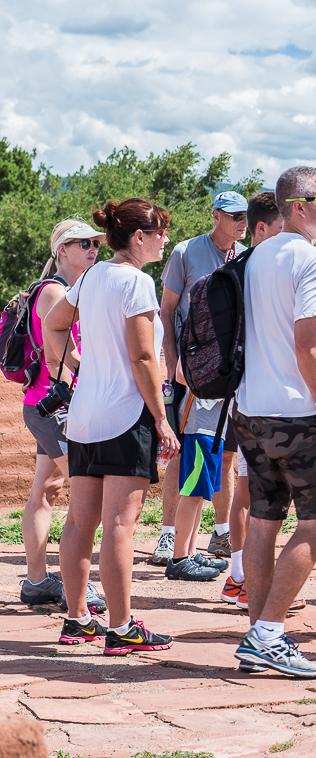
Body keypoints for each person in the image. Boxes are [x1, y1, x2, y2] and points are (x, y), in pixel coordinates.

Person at [44, 198, 181, 654]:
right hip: (126, 416)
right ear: (139, 237)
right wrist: (162, 418)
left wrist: (75, 371)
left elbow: (53, 325)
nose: (165, 239)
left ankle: (78, 619)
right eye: (160, 231)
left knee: (81, 521)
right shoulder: (137, 282)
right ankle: (122, 628)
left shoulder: (91, 278)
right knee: (121, 524)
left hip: (84, 416)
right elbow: (144, 357)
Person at [231, 167, 316, 679]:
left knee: (263, 518)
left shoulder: (255, 257)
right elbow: (308, 342)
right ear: (298, 206)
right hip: (299, 412)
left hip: (252, 409)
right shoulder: (315, 262)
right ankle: (269, 632)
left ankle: (259, 631)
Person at [152, 191, 248, 568]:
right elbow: (167, 311)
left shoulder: (242, 257)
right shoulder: (186, 252)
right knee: (182, 451)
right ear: (216, 217)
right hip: (188, 373)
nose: (242, 221)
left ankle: (218, 533)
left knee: (223, 454)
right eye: (234, 215)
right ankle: (169, 538)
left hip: (228, 376)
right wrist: (174, 368)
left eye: (245, 215)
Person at [18, 220, 106, 616]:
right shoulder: (56, 290)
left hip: (44, 403)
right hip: (59, 408)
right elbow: (59, 356)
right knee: (87, 496)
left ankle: (37, 582)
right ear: (62, 250)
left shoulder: (61, 290)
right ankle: (79, 591)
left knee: (46, 490)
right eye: (83, 243)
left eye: (95, 243)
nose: (93, 249)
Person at [221, 190, 297, 611]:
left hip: (243, 396)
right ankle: (243, 582)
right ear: (262, 228)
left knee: (250, 492)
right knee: (253, 495)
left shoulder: (238, 269)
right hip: (264, 400)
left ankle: (240, 576)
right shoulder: (258, 268)